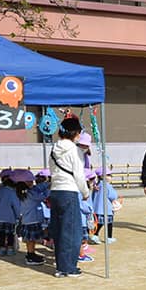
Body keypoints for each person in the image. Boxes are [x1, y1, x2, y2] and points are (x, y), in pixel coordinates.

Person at [49, 116, 91, 278]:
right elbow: (79, 176)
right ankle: (69, 267)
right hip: (69, 191)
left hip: (55, 191)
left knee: (59, 230)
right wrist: (86, 193)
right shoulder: (75, 150)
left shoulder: (54, 149)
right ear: (75, 133)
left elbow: (52, 170)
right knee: (72, 232)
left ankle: (61, 267)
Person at [17, 169, 50, 266]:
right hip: (31, 220)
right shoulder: (29, 193)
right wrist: (50, 188)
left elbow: (38, 188)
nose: (32, 182)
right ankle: (30, 256)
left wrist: (47, 183)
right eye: (29, 181)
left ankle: (31, 254)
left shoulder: (25, 191)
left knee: (31, 240)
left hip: (29, 220)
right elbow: (42, 196)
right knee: (31, 240)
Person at [0, 170, 21, 256]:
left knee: (1, 234)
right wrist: (19, 216)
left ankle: (1, 249)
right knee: (10, 234)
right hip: (9, 218)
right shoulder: (13, 193)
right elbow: (16, 206)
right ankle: (10, 249)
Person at [92, 168, 118, 244]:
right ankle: (108, 238)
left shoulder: (97, 185)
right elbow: (113, 196)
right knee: (109, 223)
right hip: (106, 209)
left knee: (99, 223)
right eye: (109, 175)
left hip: (97, 209)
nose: (110, 177)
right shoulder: (107, 185)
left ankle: (95, 235)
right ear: (102, 176)